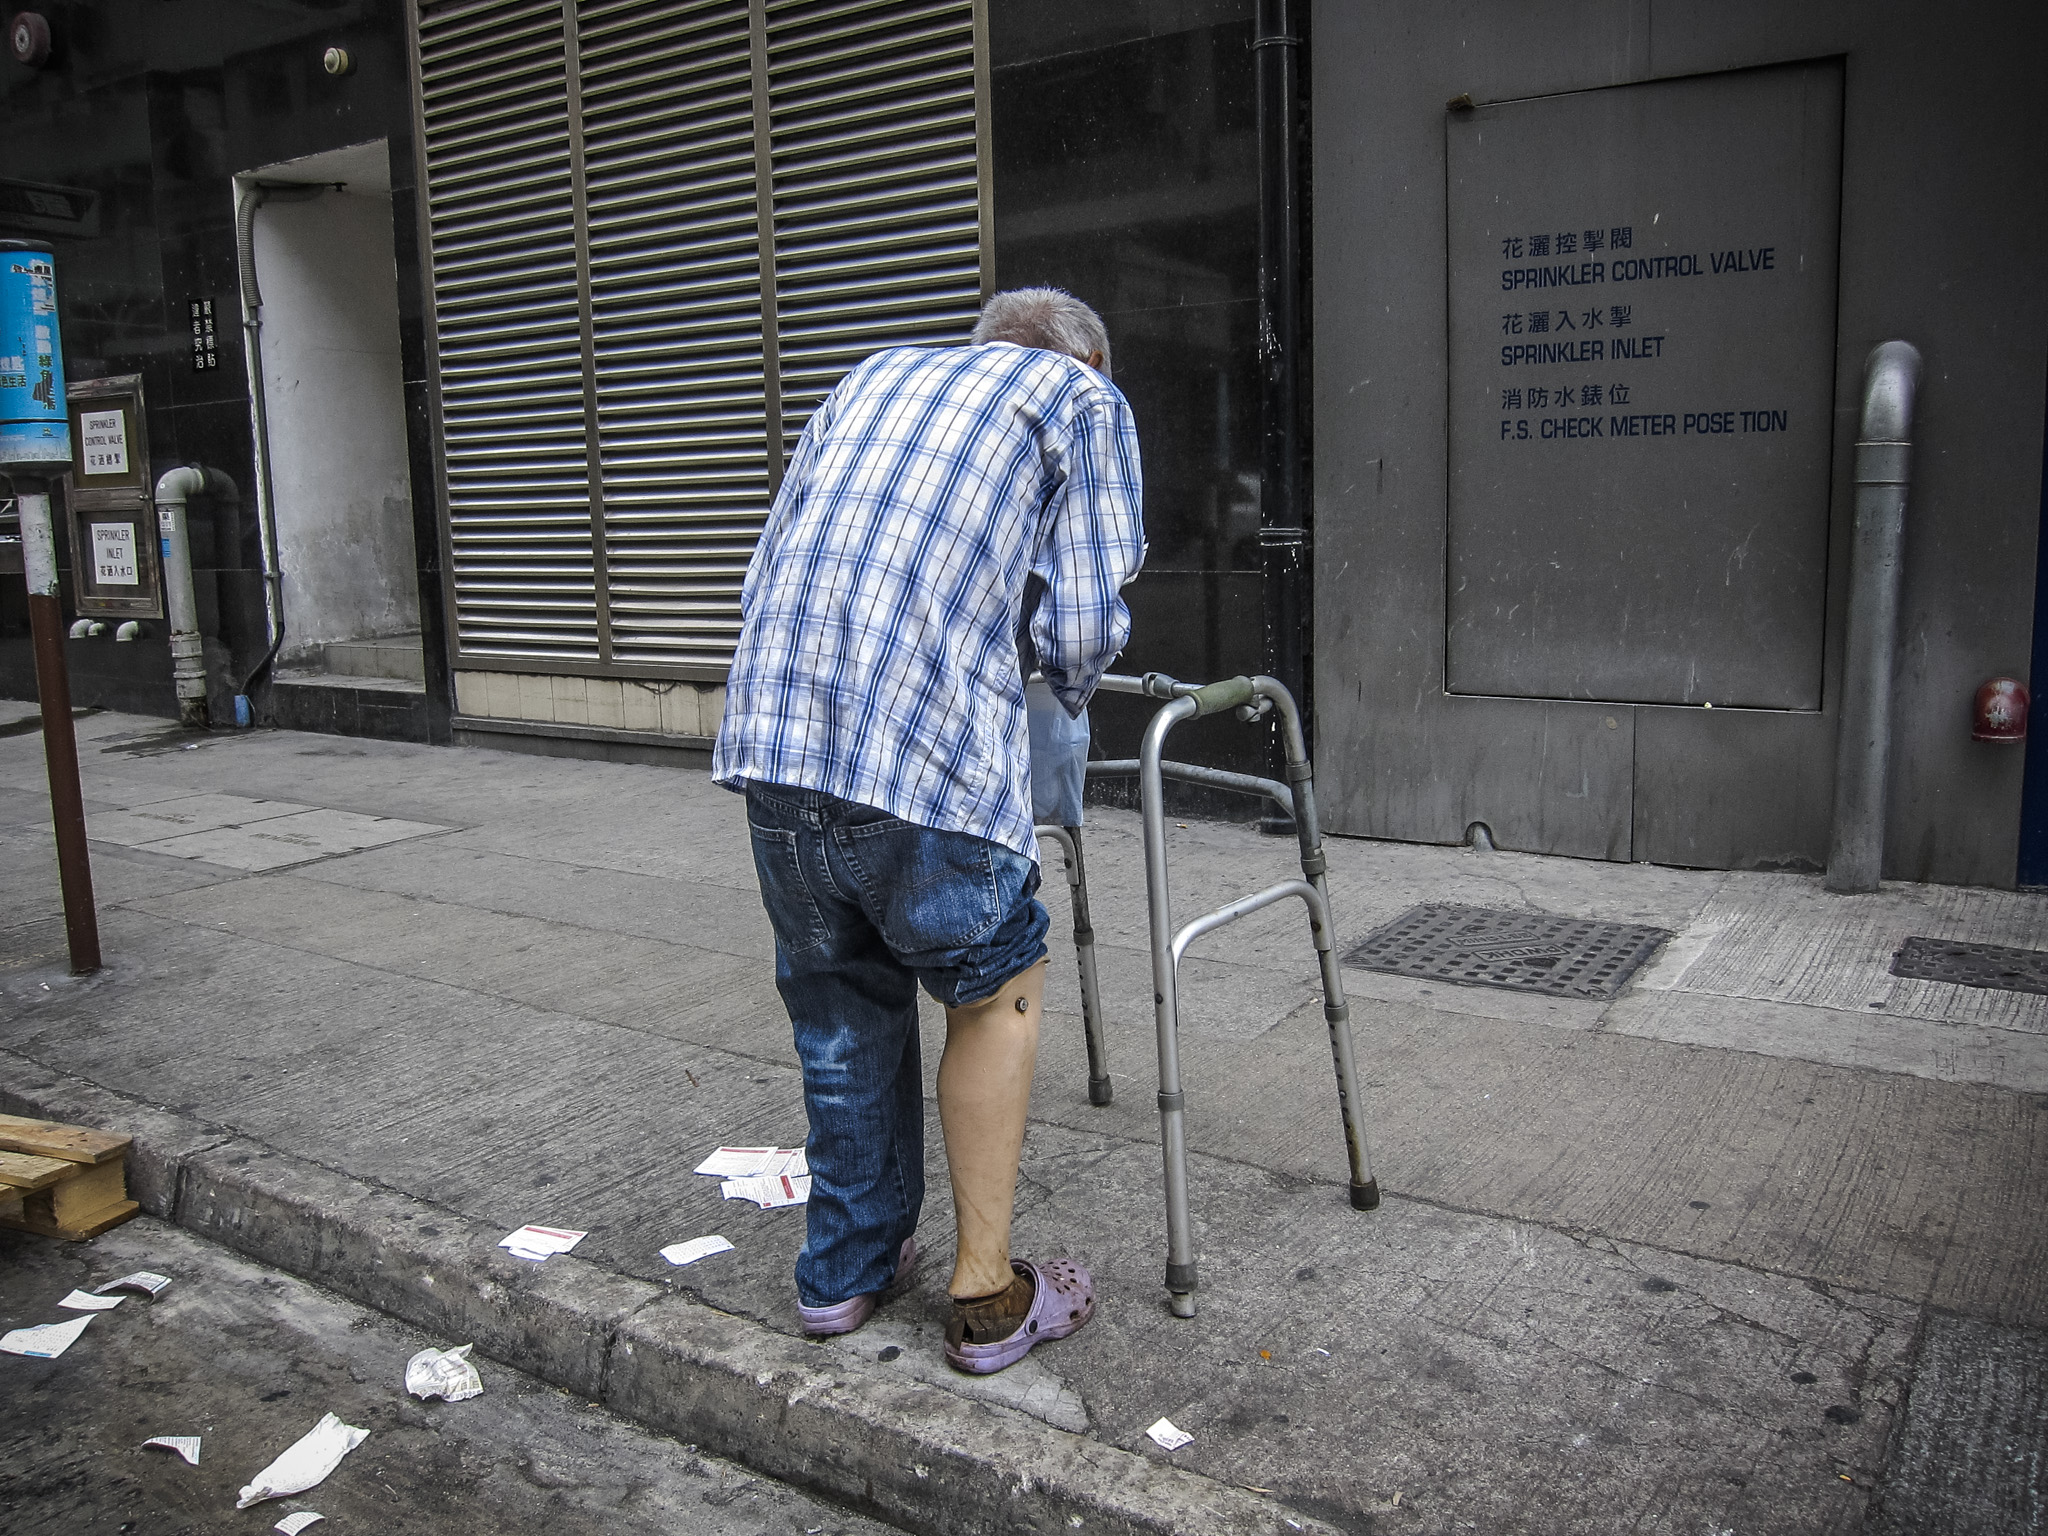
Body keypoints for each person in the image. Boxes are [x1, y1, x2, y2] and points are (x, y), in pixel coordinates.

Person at [712, 287, 1144, 1374]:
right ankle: (988, 1295)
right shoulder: (1080, 398)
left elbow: (776, 558)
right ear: (1088, 360)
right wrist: (1064, 696)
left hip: (776, 744)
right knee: (993, 988)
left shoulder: (872, 376)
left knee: (841, 1006)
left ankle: (842, 1274)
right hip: (921, 758)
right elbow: (1081, 620)